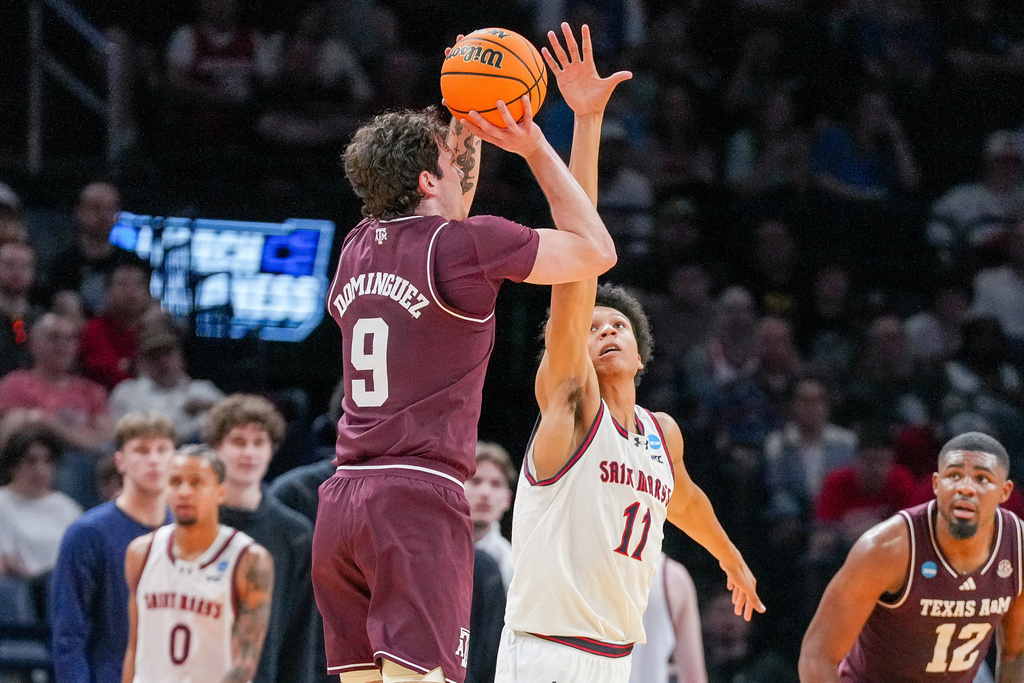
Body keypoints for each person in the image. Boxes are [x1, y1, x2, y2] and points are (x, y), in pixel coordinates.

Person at [311, 17, 619, 683]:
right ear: (427, 180)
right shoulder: (464, 245)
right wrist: (537, 143)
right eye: (452, 157)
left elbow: (444, 197)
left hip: (341, 502)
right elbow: (597, 250)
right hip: (416, 497)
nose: (463, 159)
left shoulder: (356, 246)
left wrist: (460, 112)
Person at [494, 25, 762, 683]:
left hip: (617, 657)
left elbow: (684, 497)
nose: (605, 331)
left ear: (641, 355)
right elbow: (575, 259)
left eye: (618, 327)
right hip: (547, 649)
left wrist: (729, 556)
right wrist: (585, 126)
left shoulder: (658, 432)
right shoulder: (572, 403)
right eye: (593, 325)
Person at [799, 431, 1024, 682]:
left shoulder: (1018, 548)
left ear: (1005, 492)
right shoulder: (887, 548)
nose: (966, 488)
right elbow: (817, 654)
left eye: (982, 478)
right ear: (936, 485)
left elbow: (1015, 654)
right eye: (954, 476)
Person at [123, 445, 274, 683]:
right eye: (175, 482)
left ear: (220, 492)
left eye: (196, 483)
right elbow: (134, 647)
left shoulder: (249, 560)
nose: (184, 492)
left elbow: (244, 663)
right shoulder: (140, 553)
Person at [50, 413, 176, 683]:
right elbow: (69, 633)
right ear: (120, 461)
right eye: (141, 450)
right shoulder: (87, 534)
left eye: (162, 450)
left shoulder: (190, 533)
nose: (154, 460)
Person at [205, 394, 318, 683]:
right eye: (238, 442)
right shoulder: (193, 524)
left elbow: (300, 634)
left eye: (259, 443)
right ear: (217, 447)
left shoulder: (296, 534)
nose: (249, 453)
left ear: (272, 450)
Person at [0, 422, 81, 581]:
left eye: (47, 461)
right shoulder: (3, 503)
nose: (40, 470)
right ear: (14, 465)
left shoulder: (67, 507)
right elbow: (6, 560)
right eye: (31, 461)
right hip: (26, 589)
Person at [466, 441, 515, 589]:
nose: (485, 493)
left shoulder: (513, 566)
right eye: (475, 481)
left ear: (508, 499)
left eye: (496, 484)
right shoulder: (430, 550)